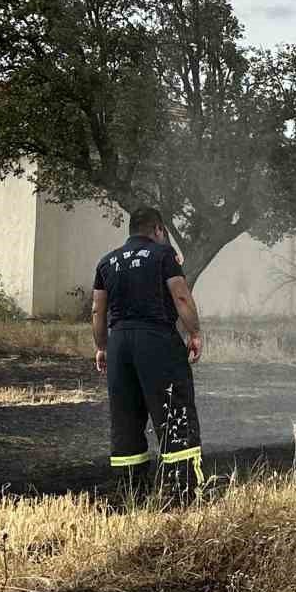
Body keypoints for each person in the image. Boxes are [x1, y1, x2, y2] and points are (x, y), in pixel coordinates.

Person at [92, 206, 204, 504]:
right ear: (158, 229)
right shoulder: (163, 255)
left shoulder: (106, 262)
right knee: (174, 411)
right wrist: (194, 333)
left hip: (119, 345)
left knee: (126, 420)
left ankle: (131, 494)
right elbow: (180, 296)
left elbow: (97, 310)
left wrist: (102, 346)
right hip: (156, 340)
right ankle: (182, 494)